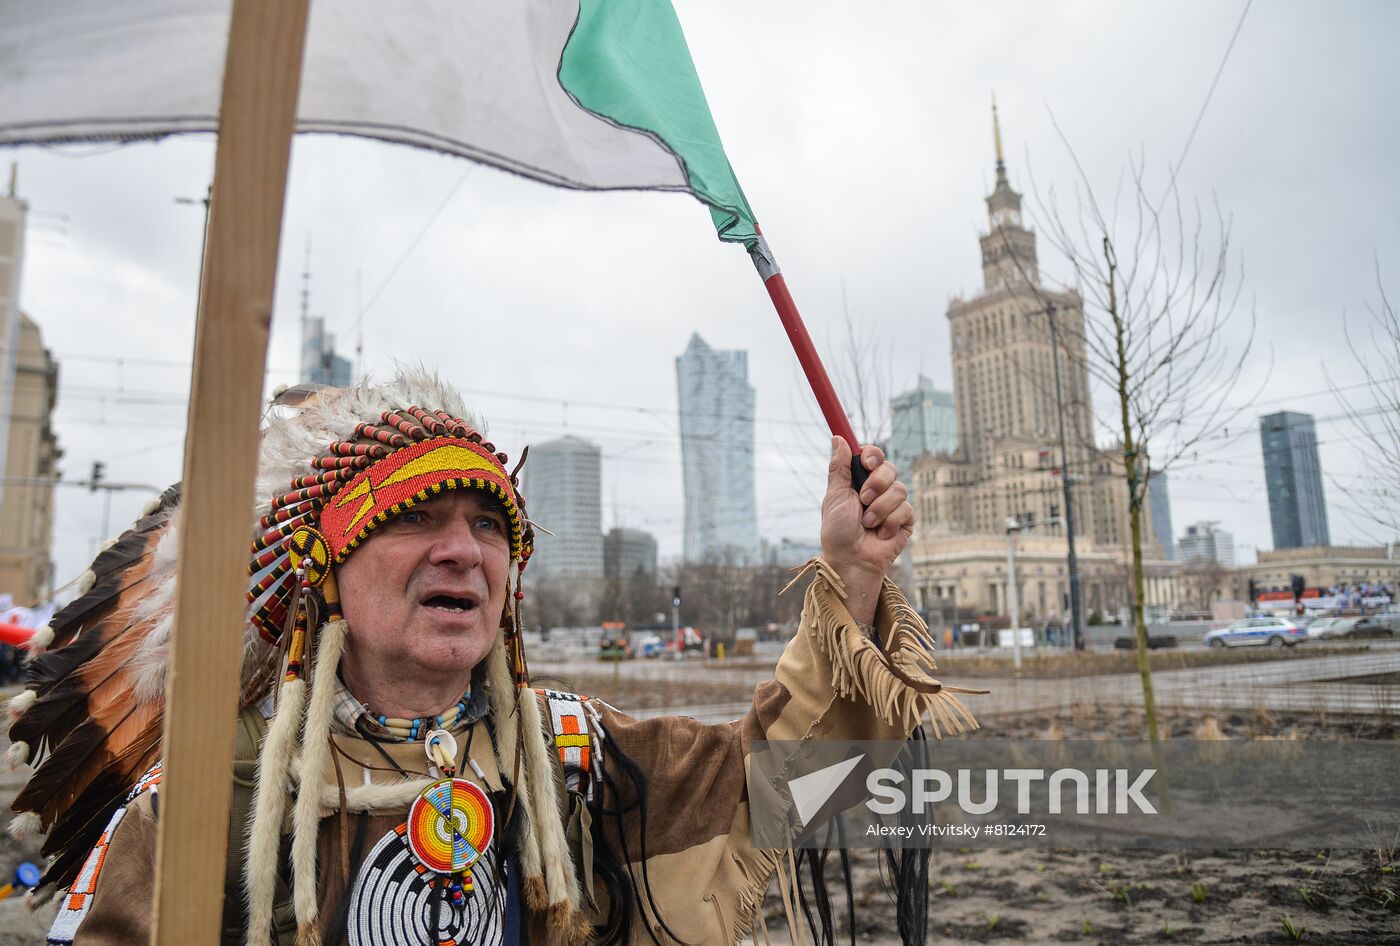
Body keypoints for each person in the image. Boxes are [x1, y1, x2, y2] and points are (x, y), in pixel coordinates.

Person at [6, 371, 976, 946]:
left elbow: (769, 784)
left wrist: (848, 574)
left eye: (487, 526)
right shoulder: (204, 807)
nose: (461, 550)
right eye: (414, 519)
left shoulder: (575, 756)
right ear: (327, 573)